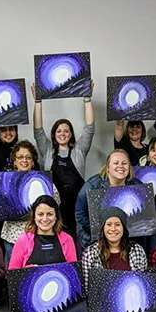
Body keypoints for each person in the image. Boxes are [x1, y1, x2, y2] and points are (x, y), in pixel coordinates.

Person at [9, 195, 77, 312]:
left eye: (49, 214)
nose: (45, 219)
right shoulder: (23, 240)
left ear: (56, 216)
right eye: (40, 214)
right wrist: (26, 273)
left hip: (58, 311)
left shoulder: (67, 240)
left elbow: (74, 276)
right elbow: (12, 276)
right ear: (34, 217)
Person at [32, 82, 95, 237]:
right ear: (54, 135)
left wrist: (87, 99)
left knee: (77, 240)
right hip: (54, 207)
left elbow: (90, 127)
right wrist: (37, 102)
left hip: (78, 205)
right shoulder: (47, 150)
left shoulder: (79, 150)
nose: (62, 133)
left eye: (66, 131)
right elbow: (38, 130)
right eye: (59, 131)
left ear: (71, 134)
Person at [0, 141, 60, 264]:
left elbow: (56, 203)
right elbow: (0, 208)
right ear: (14, 161)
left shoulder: (44, 181)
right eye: (20, 157)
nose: (24, 160)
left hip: (38, 237)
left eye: (28, 157)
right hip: (13, 238)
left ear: (33, 162)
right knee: (13, 272)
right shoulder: (5, 182)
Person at [75, 150, 142, 250]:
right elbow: (80, 213)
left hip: (127, 242)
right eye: (116, 163)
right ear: (108, 168)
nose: (120, 166)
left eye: (124, 163)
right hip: (96, 240)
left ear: (129, 167)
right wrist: (97, 232)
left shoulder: (138, 186)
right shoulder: (92, 186)